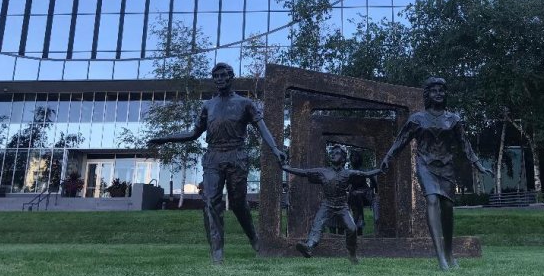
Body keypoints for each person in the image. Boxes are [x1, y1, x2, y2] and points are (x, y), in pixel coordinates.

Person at [148, 62, 286, 265]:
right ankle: (217, 252)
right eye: (216, 76)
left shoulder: (245, 103)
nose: (219, 79)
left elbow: (262, 129)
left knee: (239, 204)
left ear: (231, 77)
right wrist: (166, 138)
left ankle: (254, 238)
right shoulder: (208, 106)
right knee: (211, 202)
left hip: (236, 157)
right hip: (213, 157)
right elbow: (193, 133)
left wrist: (275, 149)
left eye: (223, 75)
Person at [380, 77, 493, 270]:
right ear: (427, 94)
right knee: (432, 200)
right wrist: (388, 158)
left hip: (447, 166)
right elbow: (401, 141)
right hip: (425, 165)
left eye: (442, 90)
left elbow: (464, 144)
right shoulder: (417, 119)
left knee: (447, 207)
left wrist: (477, 164)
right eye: (434, 90)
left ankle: (449, 252)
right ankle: (440, 257)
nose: (439, 93)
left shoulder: (454, 119)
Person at [282, 145, 381, 264]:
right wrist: (286, 168)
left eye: (337, 153)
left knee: (352, 228)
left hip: (342, 207)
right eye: (332, 153)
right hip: (327, 205)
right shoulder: (323, 172)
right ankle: (309, 246)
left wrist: (380, 170)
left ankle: (352, 253)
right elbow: (304, 172)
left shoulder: (348, 173)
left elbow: (365, 174)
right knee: (317, 224)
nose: (333, 154)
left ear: (344, 159)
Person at [347, 151, 378, 236]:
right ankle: (357, 225)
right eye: (352, 156)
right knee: (353, 195)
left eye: (356, 156)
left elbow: (373, 180)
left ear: (359, 159)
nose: (354, 158)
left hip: (364, 192)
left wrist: (375, 191)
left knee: (357, 194)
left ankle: (360, 220)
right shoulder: (349, 172)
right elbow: (345, 184)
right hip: (354, 193)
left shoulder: (363, 170)